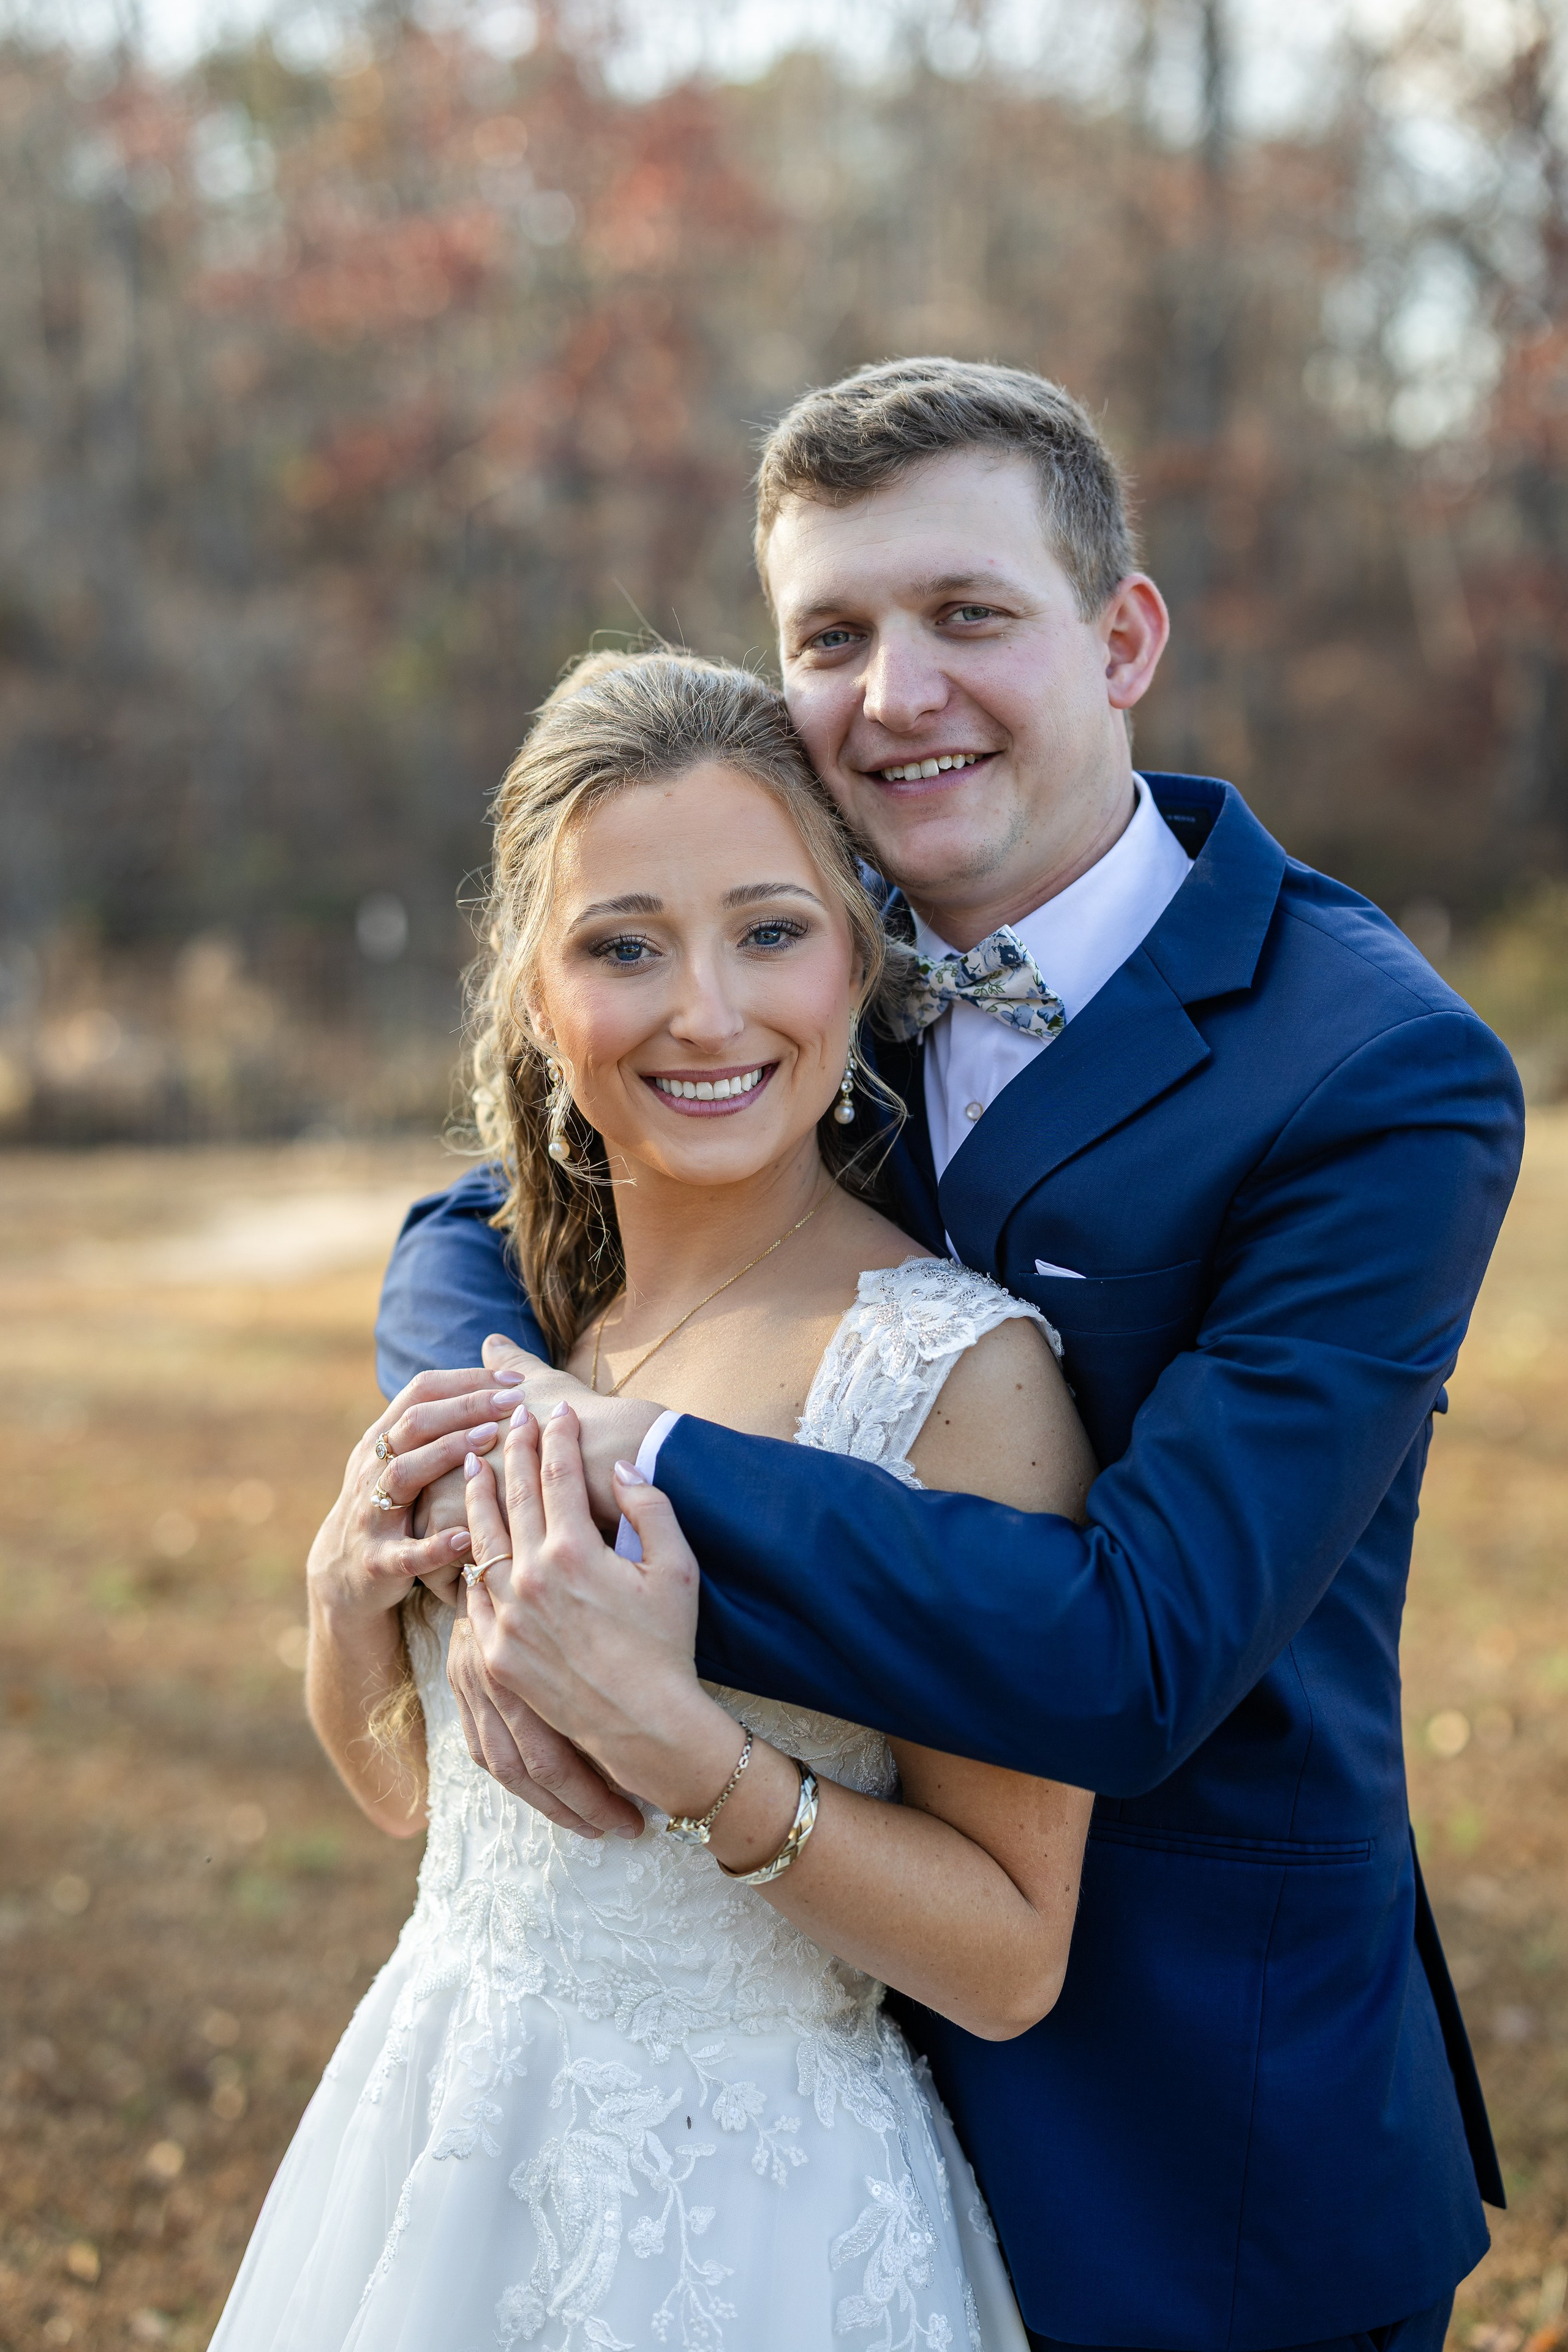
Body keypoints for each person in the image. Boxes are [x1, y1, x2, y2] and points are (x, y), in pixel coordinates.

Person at [368, 359, 1527, 2352]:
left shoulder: (1376, 1074)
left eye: (967, 615)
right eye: (834, 633)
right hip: (780, 2099)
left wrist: (617, 1467)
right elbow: (477, 1222)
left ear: (1123, 635)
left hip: (1184, 2141)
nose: (896, 694)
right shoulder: (801, 946)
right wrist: (491, 1469)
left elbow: (1140, 1649)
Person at [210, 649, 1099, 2352]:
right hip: (434, 2138)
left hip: (754, 2220)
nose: (705, 1011)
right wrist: (342, 1610)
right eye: (624, 946)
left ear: (860, 964)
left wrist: (695, 1758)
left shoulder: (955, 1380)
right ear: (538, 998)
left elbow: (1009, 1960)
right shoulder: (534, 1321)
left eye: (770, 931)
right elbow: (419, 1812)